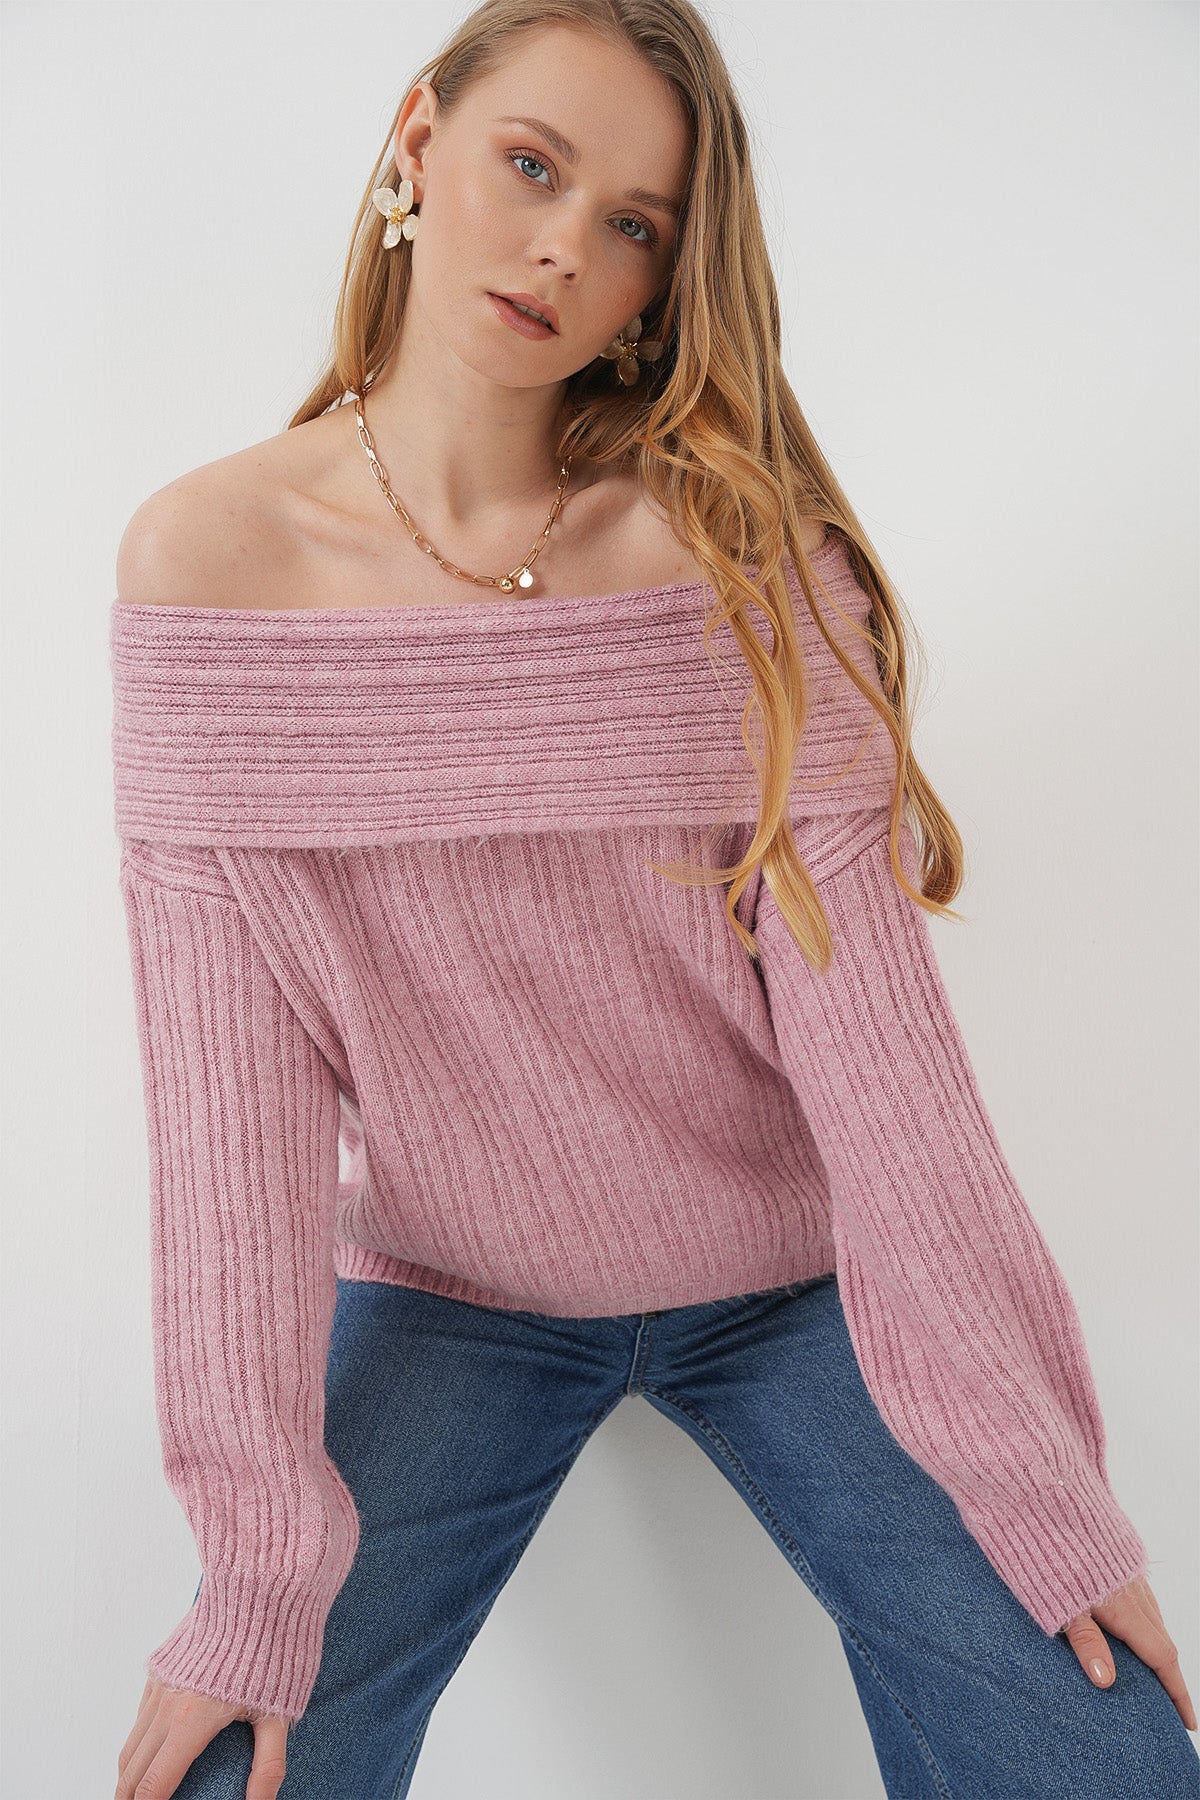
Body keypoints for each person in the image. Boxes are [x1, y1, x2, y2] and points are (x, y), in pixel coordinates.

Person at [109, 3, 1199, 1797]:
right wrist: (251, 1572)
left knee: (1111, 1768)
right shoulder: (209, 567)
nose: (562, 246)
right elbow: (230, 1127)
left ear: (663, 283)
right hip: (455, 1292)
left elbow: (894, 1089)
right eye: (531, 166)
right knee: (237, 1772)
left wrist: (1042, 1494)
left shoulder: (742, 562)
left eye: (632, 223)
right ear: (417, 142)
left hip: (794, 1289)